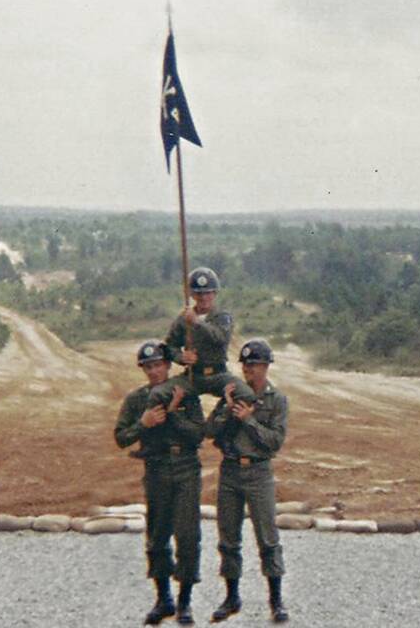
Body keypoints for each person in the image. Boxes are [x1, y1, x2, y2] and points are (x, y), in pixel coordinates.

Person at [114, 339, 204, 626]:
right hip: (156, 469)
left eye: (159, 365)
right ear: (143, 369)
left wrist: (174, 413)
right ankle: (163, 597)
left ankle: (184, 601)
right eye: (148, 366)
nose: (154, 371)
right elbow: (121, 437)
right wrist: (144, 423)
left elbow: (198, 434)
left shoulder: (186, 394)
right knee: (157, 533)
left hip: (186, 467)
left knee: (188, 535)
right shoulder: (137, 400)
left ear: (168, 365)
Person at [205, 338, 289, 624]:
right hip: (230, 471)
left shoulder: (276, 400)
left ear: (266, 366)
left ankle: (276, 600)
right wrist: (229, 411)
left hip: (258, 472)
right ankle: (231, 597)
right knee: (228, 537)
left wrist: (250, 420)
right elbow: (210, 431)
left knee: (267, 537)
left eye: (254, 365)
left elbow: (274, 442)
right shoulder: (232, 396)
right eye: (245, 365)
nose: (248, 371)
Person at [147, 266, 255, 410]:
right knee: (158, 394)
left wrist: (197, 322)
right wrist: (181, 357)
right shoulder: (183, 319)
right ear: (191, 294)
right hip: (193, 376)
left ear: (215, 293)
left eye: (207, 292)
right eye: (198, 293)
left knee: (246, 394)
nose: (203, 297)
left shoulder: (222, 317)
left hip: (219, 375)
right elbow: (169, 346)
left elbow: (220, 338)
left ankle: (218, 423)